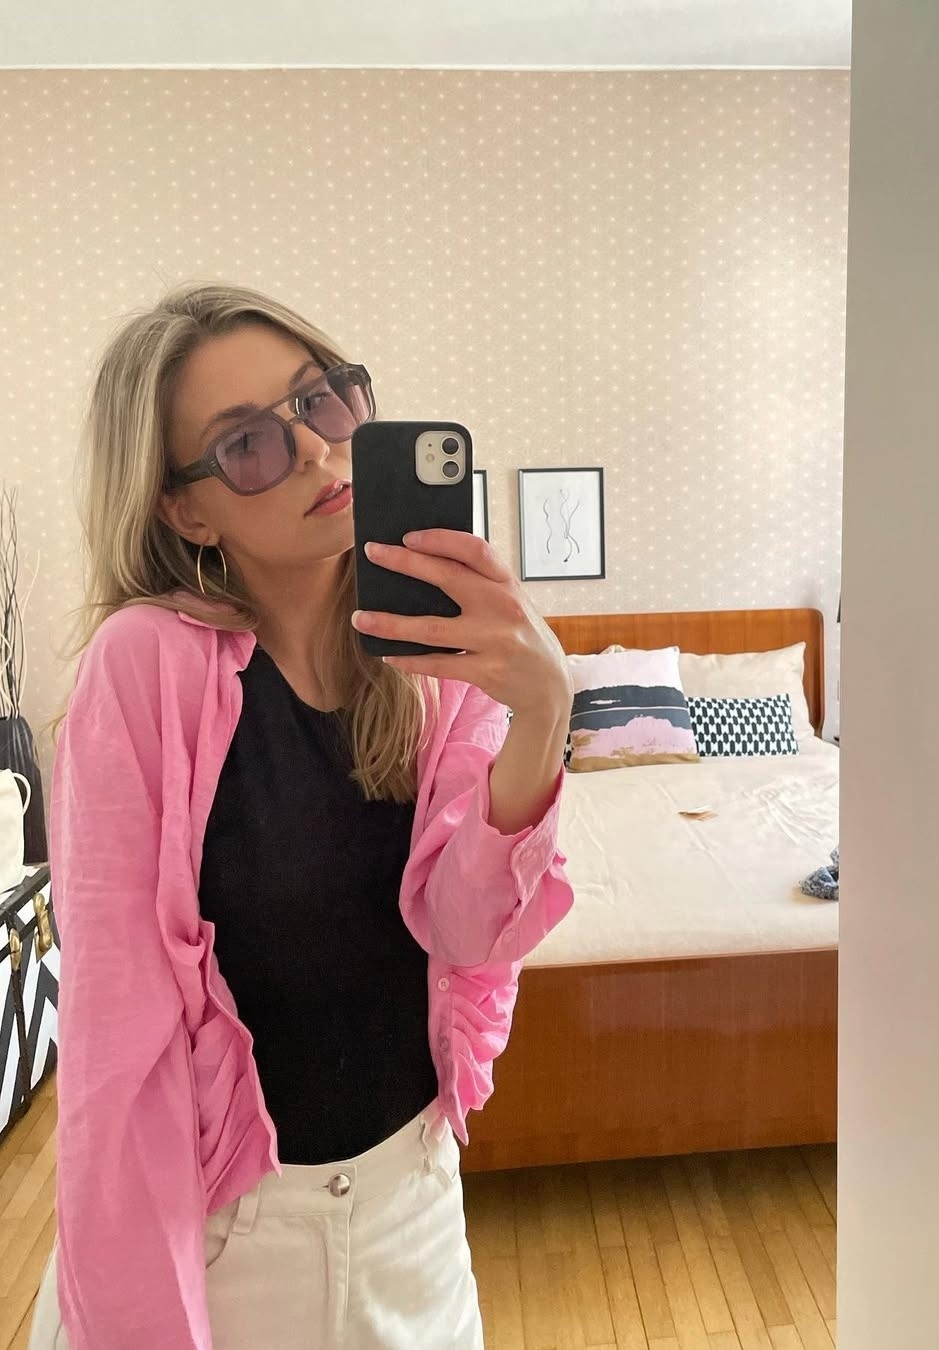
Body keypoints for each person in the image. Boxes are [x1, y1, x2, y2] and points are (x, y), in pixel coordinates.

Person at [30, 282, 574, 1350]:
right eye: (248, 444)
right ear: (185, 509)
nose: (320, 451)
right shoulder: (143, 671)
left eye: (323, 399)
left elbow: (468, 933)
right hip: (230, 1239)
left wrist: (543, 712)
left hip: (414, 1207)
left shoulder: (432, 662)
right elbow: (117, 1045)